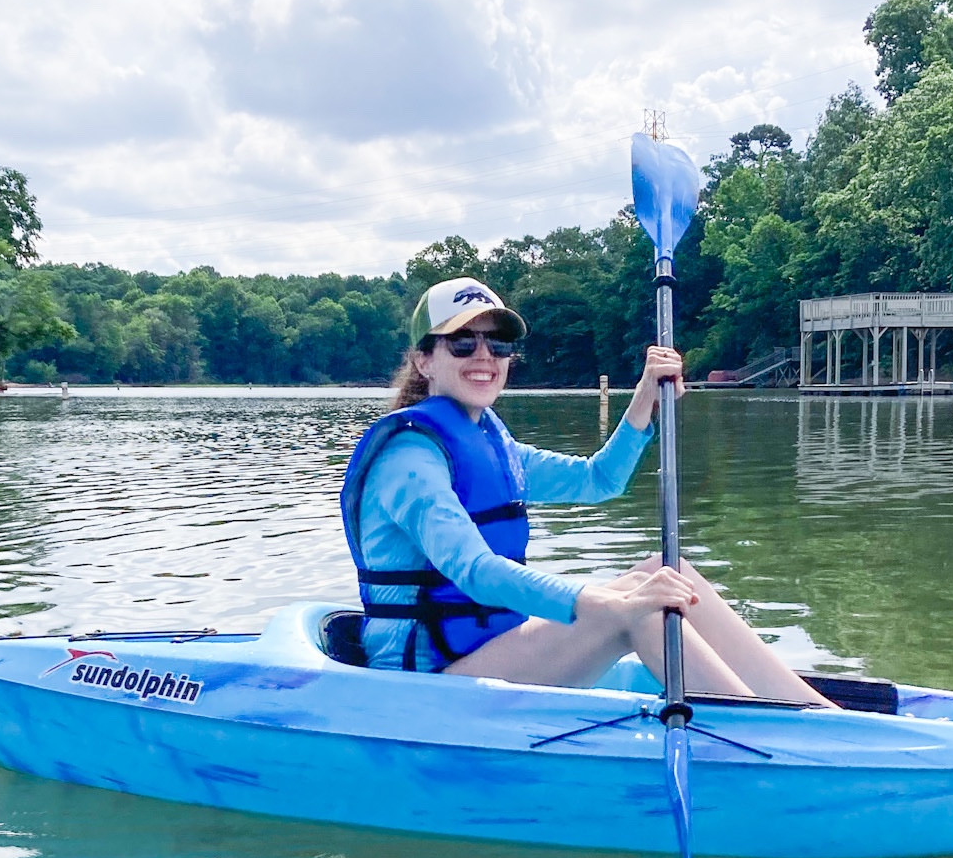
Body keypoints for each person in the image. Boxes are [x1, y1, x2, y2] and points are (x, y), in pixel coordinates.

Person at [340, 277, 832, 704]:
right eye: (462, 343)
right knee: (637, 611)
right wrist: (608, 603)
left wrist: (642, 401)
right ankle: (765, 740)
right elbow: (474, 571)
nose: (485, 356)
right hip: (422, 684)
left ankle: (814, 715)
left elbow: (600, 480)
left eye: (498, 344)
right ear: (424, 360)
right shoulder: (408, 459)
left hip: (487, 650)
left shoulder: (491, 444)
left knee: (667, 572)